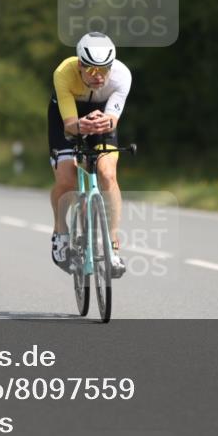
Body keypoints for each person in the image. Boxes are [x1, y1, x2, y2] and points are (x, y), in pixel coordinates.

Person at [49, 32, 132, 278]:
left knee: (108, 174)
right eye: (92, 70)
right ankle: (61, 233)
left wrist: (104, 122)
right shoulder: (63, 72)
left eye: (104, 69)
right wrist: (79, 126)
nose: (99, 77)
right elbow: (69, 124)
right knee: (67, 179)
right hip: (67, 117)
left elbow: (113, 119)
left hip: (100, 116)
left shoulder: (122, 75)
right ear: (80, 65)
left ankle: (113, 245)